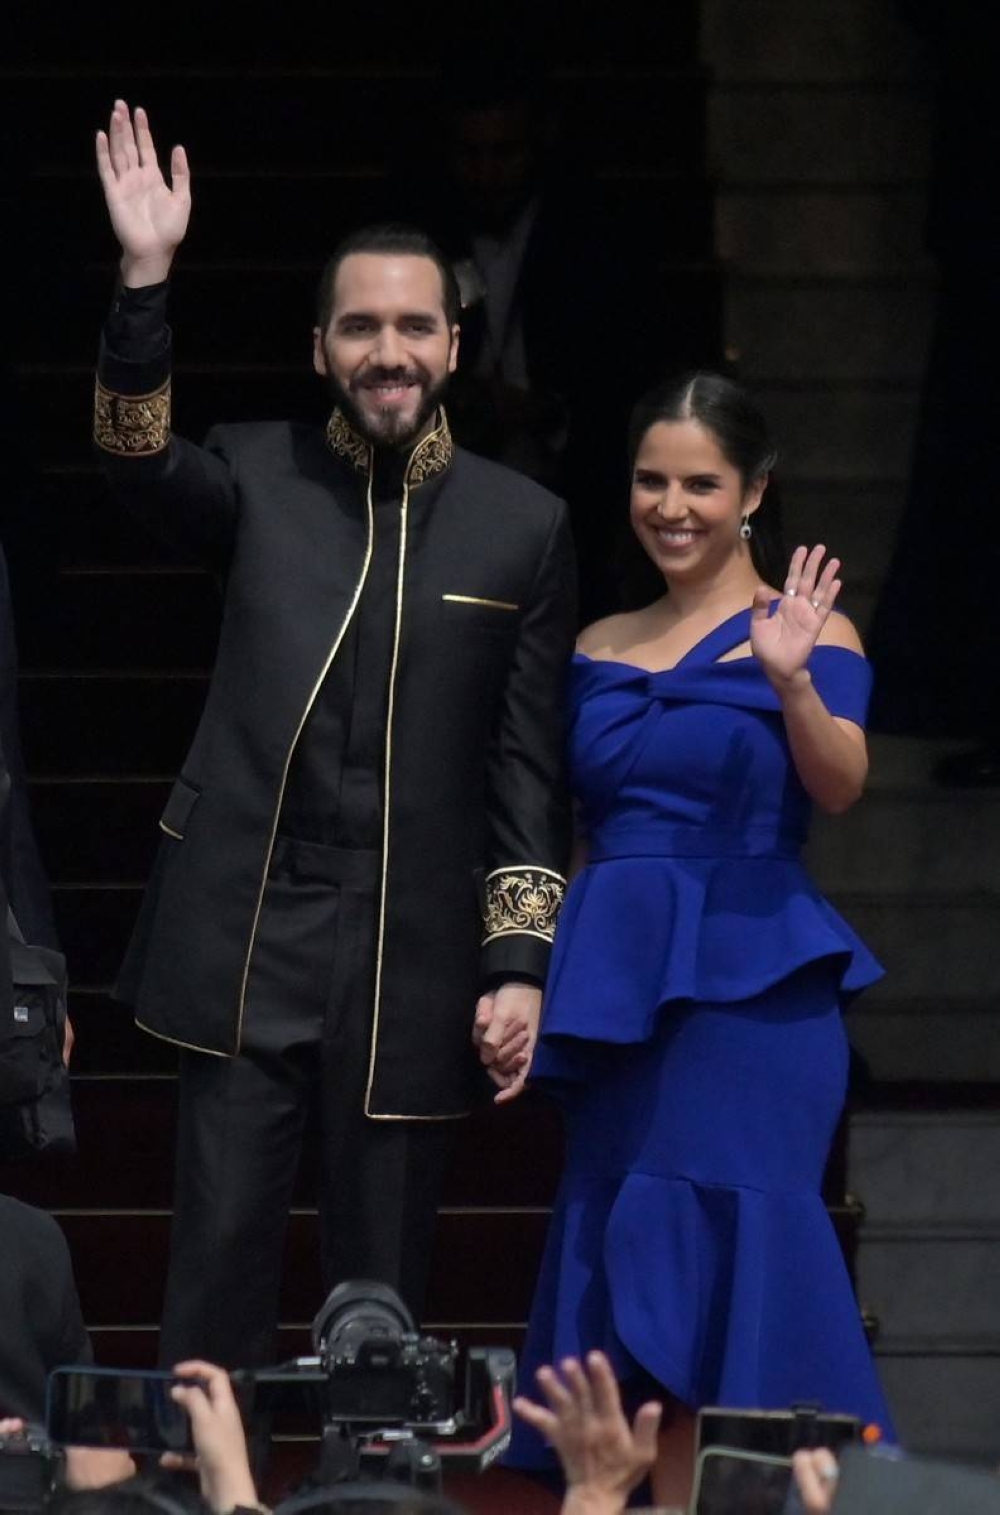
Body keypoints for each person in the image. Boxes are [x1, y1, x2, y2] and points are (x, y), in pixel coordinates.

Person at [92, 102, 575, 1369]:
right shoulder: (257, 474)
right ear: (321, 348)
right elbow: (132, 458)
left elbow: (530, 764)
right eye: (360, 326)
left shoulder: (521, 525)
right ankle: (206, 1492)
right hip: (254, 920)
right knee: (215, 1269)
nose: (388, 350)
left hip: (412, 942)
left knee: (383, 1303)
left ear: (454, 343)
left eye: (414, 325)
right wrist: (146, 281)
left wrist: (517, 959)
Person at [505, 372, 895, 1506]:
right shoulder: (595, 639)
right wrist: (536, 981)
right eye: (650, 481)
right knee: (626, 1264)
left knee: (739, 1265)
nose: (670, 506)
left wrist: (790, 684)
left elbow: (840, 785)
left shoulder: (811, 630)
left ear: (754, 492)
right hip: (618, 999)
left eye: (701, 485)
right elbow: (570, 832)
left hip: (752, 993)